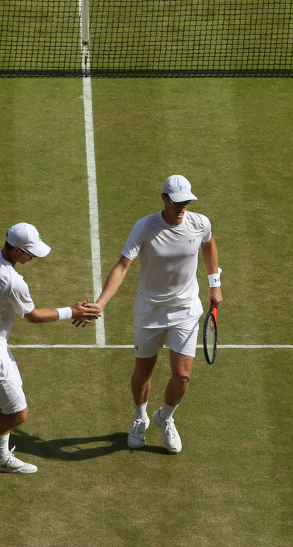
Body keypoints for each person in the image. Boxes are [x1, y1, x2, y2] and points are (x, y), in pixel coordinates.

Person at [0, 223, 101, 487]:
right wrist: (72, 311)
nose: (33, 257)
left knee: (6, 401)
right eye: (30, 253)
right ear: (15, 250)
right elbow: (33, 317)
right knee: (17, 414)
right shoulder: (12, 281)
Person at [91, 175, 222, 454]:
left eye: (185, 202)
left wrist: (214, 283)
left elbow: (209, 245)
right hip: (150, 310)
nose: (181, 207)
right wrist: (101, 303)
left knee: (182, 376)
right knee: (144, 370)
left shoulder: (200, 223)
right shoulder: (145, 227)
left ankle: (165, 418)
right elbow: (122, 266)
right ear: (164, 198)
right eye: (176, 202)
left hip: (185, 309)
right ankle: (140, 417)